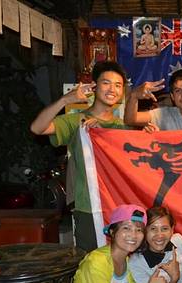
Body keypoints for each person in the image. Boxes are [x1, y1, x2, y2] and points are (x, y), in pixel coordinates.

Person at [30, 61, 128, 252]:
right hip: (88, 206)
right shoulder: (77, 121)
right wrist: (65, 100)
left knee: (120, 260)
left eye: (118, 85)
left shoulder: (123, 127)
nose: (112, 89)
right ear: (95, 86)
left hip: (119, 204)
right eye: (106, 83)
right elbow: (37, 128)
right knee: (90, 260)